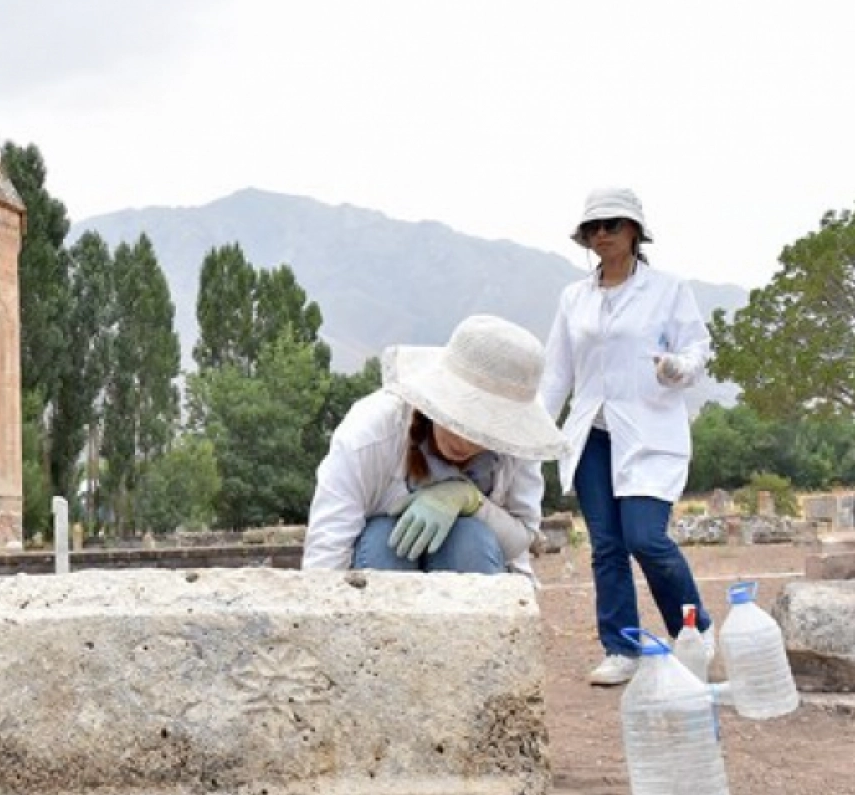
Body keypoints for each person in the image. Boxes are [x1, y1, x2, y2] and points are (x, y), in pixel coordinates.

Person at [540, 187, 713, 686]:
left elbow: (697, 349)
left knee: (645, 538)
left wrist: (678, 368)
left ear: (635, 230)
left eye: (610, 225)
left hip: (647, 430)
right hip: (593, 432)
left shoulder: (668, 288)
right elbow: (557, 373)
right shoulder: (573, 297)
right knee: (607, 546)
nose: (600, 235)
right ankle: (622, 647)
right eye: (592, 228)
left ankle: (693, 629)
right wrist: (533, 431)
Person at [303, 314, 567, 576]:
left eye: (487, 430)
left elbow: (521, 540)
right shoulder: (368, 435)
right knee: (384, 540)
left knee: (470, 538)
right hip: (380, 564)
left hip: (475, 564)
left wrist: (471, 501)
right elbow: (327, 553)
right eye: (461, 417)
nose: (465, 441)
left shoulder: (515, 446)